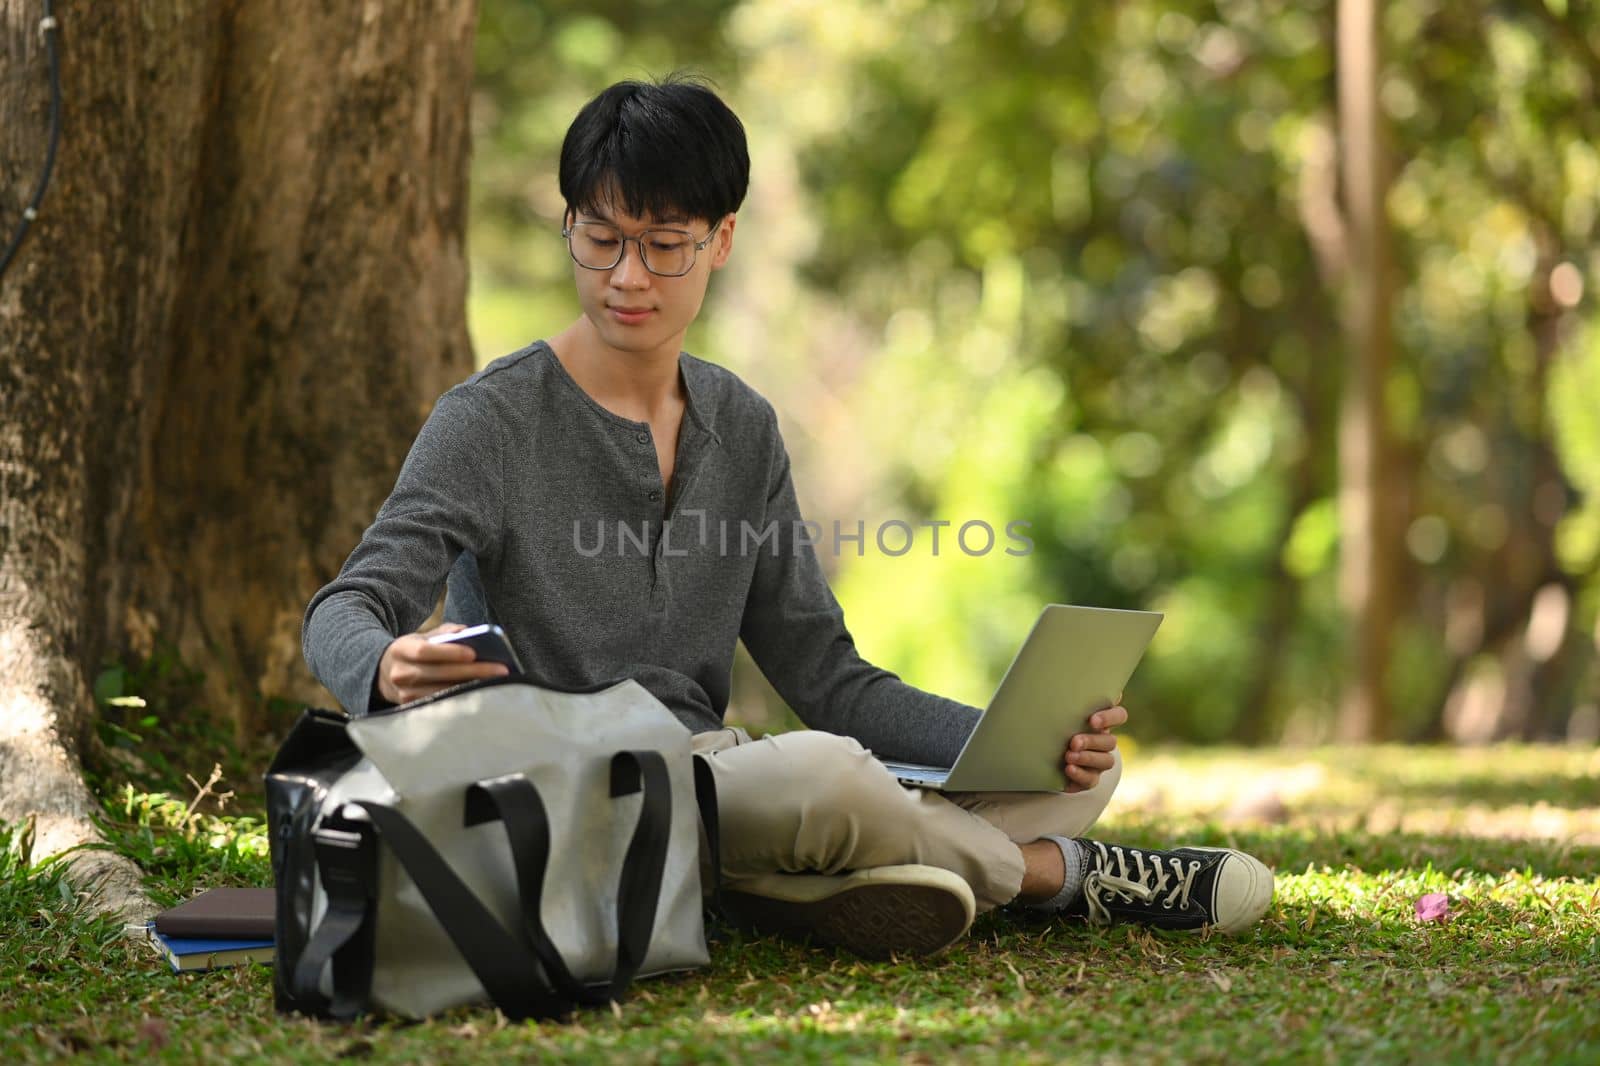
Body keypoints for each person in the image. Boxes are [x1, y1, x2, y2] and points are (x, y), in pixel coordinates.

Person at [302, 75, 1274, 960]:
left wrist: (1013, 737)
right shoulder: (490, 419)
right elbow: (344, 609)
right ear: (569, 227)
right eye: (600, 239)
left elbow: (826, 673)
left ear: (721, 239)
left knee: (1069, 783)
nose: (626, 277)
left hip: (718, 776)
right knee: (832, 782)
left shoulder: (741, 427)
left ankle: (777, 881)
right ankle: (1067, 879)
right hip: (575, 790)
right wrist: (382, 666)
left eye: (663, 244)